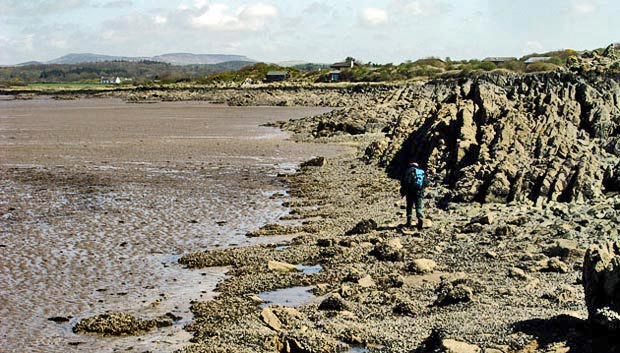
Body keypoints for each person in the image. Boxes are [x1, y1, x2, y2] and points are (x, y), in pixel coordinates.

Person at [400, 161, 426, 229]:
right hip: (419, 192)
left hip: (410, 192)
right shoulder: (421, 172)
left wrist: (403, 192)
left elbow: (404, 182)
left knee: (409, 206)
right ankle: (420, 218)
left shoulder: (408, 171)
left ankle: (409, 221)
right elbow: (426, 182)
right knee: (419, 207)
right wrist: (422, 190)